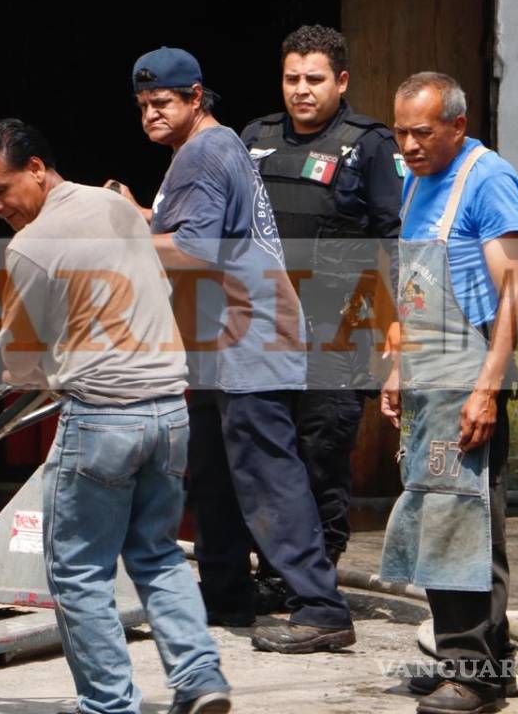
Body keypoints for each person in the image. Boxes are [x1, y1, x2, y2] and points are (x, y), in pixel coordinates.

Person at [0, 118, 231, 714]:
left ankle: (109, 704)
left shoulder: (29, 248)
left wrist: (25, 374)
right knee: (158, 553)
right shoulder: (116, 208)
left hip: (103, 419)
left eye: (1, 190)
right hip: (169, 410)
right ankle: (201, 678)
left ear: (37, 168)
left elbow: (23, 360)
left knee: (78, 571)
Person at [113, 46, 355, 653]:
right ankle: (225, 595)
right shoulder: (209, 151)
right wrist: (137, 214)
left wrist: (117, 237)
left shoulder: (203, 152)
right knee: (216, 475)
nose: (151, 114)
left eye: (163, 102)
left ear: (196, 97)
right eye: (143, 105)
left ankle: (321, 608)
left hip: (250, 334)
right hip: (225, 341)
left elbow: (195, 249)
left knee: (268, 475)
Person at [239, 25, 403, 610]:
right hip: (261, 335)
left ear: (342, 81)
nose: (301, 91)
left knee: (320, 457)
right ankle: (273, 571)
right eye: (291, 79)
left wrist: (396, 331)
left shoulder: (369, 144)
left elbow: (394, 242)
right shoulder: (254, 137)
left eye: (314, 79)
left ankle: (313, 582)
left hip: (337, 335)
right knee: (264, 458)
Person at [379, 72, 518, 714]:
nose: (408, 145)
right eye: (400, 132)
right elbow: (414, 288)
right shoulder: (416, 179)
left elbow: (513, 291)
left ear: (458, 126)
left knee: (465, 527)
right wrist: (398, 369)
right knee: (436, 520)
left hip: (470, 376)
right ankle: (463, 662)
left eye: (422, 132)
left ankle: (478, 673)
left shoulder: (488, 178)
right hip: (428, 378)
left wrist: (487, 389)